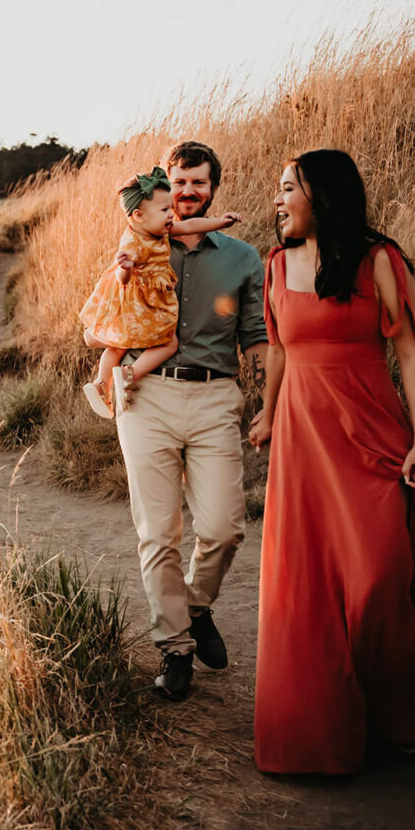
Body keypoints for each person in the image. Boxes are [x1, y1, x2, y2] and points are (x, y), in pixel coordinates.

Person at [248, 149, 415, 773]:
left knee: (376, 582)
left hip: (371, 439)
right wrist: (267, 411)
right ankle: (320, 730)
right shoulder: (276, 265)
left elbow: (410, 353)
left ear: (323, 195)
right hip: (301, 443)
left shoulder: (379, 262)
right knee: (308, 590)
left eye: (288, 187)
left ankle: (396, 706)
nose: (277, 200)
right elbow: (280, 353)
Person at [113, 141, 267, 701]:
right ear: (166, 188)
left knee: (224, 529)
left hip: (214, 398)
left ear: (212, 188)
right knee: (158, 533)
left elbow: (256, 338)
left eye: (198, 183)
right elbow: (111, 309)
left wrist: (270, 402)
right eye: (178, 183)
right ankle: (175, 649)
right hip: (146, 396)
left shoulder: (242, 259)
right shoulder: (141, 244)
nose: (187, 192)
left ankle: (195, 608)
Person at [79, 166, 242, 418]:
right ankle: (129, 374)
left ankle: (101, 384)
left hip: (139, 301)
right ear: (138, 216)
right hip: (140, 301)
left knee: (117, 345)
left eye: (170, 208)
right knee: (169, 342)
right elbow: (123, 278)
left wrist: (220, 222)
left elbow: (191, 227)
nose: (171, 214)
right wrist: (126, 268)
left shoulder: (159, 230)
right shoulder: (132, 242)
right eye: (165, 209)